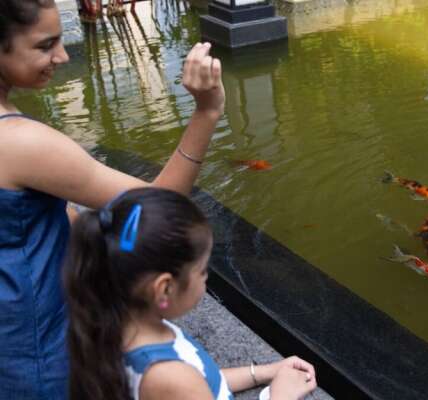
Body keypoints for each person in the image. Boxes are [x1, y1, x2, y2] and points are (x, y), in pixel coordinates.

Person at [0, 0, 225, 398]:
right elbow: (158, 207)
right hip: (35, 352)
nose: (62, 56)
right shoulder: (19, 143)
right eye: (45, 45)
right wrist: (206, 111)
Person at [63, 188, 317, 400]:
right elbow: (185, 385)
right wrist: (282, 395)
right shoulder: (166, 375)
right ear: (165, 289)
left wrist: (262, 372)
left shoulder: (120, 325)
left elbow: (202, 379)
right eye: (202, 270)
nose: (206, 277)